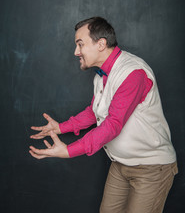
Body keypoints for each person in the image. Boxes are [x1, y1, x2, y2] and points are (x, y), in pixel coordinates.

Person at [29, 17, 178, 213]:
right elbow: (95, 111)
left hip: (151, 169)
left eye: (80, 44)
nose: (76, 52)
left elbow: (113, 124)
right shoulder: (102, 74)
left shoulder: (133, 73)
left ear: (101, 44)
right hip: (120, 165)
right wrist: (60, 127)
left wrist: (69, 150)